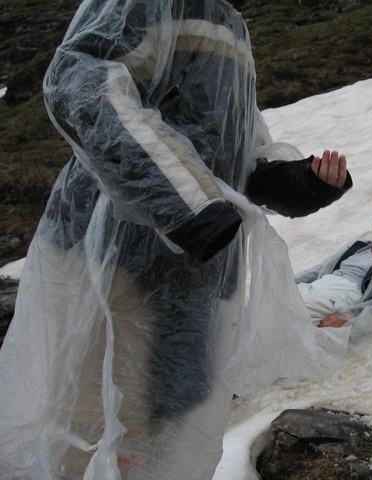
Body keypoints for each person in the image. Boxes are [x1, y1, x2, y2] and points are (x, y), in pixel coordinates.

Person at [0, 1, 352, 479]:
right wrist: (186, 203)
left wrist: (303, 184)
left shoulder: (230, 23)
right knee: (95, 423)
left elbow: (236, 157)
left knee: (174, 418)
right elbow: (80, 81)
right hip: (114, 257)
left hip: (195, 271)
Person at [296, 201, 372, 336]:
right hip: (319, 284)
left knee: (295, 309)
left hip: (343, 294)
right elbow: (321, 269)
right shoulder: (360, 247)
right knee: (279, 297)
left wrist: (348, 315)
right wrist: (288, 281)